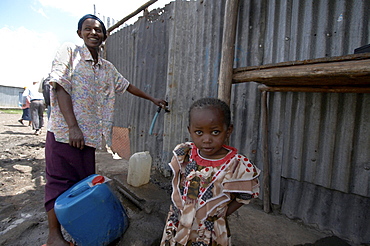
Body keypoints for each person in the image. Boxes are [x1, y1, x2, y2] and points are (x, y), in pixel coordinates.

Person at [43, 14, 167, 246]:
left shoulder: (107, 68)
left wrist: (153, 99)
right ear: (79, 33)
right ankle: (53, 236)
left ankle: (86, 232)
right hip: (63, 134)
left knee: (84, 187)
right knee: (57, 183)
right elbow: (60, 86)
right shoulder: (70, 51)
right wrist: (73, 127)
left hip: (88, 139)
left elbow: (127, 85)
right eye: (87, 29)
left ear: (104, 36)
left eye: (98, 30)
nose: (93, 33)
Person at [160, 98, 260, 246]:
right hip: (178, 222)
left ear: (228, 130)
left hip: (208, 231)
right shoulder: (185, 154)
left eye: (215, 132)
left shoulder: (236, 165)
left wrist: (219, 215)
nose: (206, 139)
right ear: (190, 131)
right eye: (199, 132)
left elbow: (244, 195)